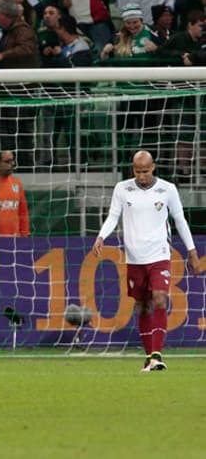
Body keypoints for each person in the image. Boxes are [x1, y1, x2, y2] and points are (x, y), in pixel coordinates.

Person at [92, 151, 200, 372]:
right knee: (142, 306)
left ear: (153, 167)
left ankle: (157, 355)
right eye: (137, 171)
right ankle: (149, 356)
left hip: (159, 254)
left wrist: (192, 251)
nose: (141, 176)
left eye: (145, 171)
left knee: (160, 299)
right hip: (134, 258)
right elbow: (113, 216)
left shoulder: (168, 189)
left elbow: (180, 220)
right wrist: (101, 236)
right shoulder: (122, 189)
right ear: (133, 169)